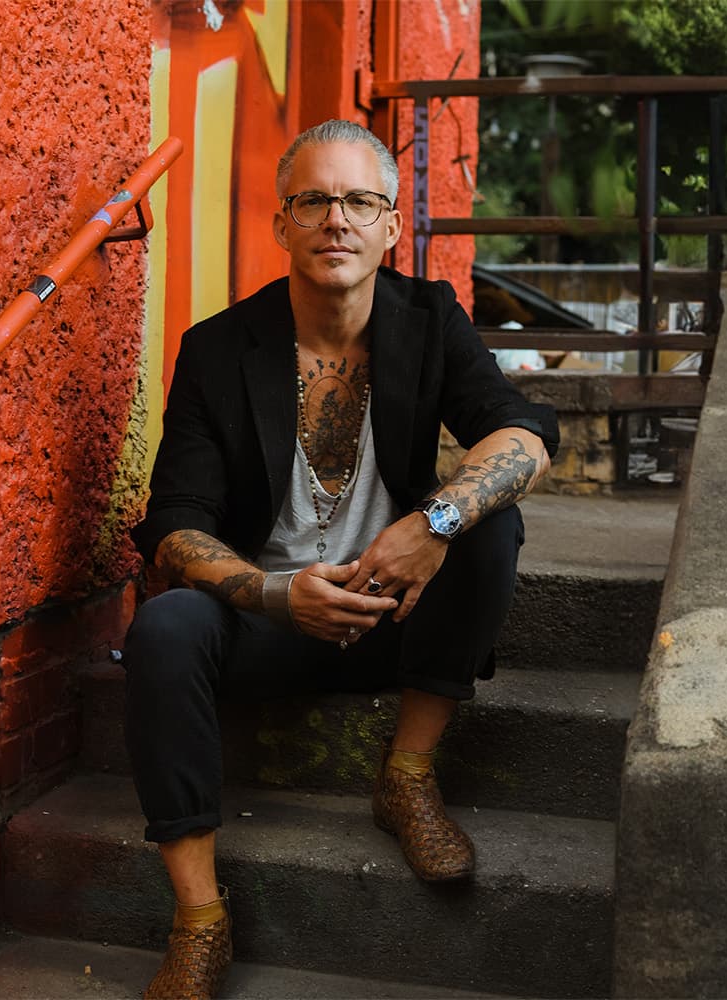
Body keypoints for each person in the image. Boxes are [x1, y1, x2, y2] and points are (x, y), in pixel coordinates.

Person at [124, 119, 559, 1000]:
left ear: (392, 227)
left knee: (490, 525)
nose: (337, 220)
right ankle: (200, 920)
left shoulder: (430, 318)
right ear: (281, 224)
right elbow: (173, 524)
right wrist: (279, 595)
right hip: (270, 622)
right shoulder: (217, 348)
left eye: (361, 201)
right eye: (314, 200)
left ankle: (405, 777)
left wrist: (431, 522)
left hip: (395, 609)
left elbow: (526, 438)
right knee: (164, 627)